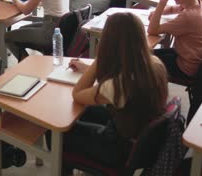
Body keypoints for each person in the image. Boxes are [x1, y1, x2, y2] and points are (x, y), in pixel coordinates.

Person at [63, 12, 168, 167]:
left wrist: (99, 59)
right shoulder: (154, 63)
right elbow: (119, 73)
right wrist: (86, 68)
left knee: (59, 132)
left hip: (119, 149)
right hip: (138, 134)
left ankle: (64, 161)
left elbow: (77, 94)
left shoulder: (119, 85)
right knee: (82, 112)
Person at [147, 0, 202, 80]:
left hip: (186, 67)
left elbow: (152, 30)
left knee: (142, 60)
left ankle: (150, 90)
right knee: (148, 54)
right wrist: (156, 12)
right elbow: (172, 9)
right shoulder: (197, 4)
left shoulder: (189, 17)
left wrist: (162, 2)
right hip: (192, 60)